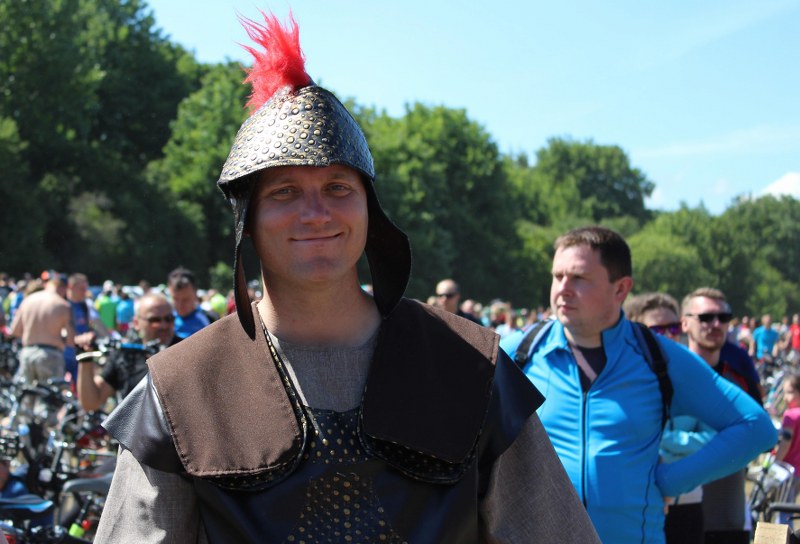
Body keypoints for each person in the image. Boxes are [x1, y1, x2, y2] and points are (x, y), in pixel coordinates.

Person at [95, 12, 598, 543]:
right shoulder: (182, 388)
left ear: (369, 211)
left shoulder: (470, 367)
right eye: (284, 192)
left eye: (338, 187)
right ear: (248, 221)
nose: (316, 213)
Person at [500, 226, 776, 544]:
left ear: (621, 289)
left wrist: (671, 480)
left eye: (578, 278)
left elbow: (756, 427)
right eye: (557, 276)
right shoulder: (520, 352)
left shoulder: (658, 357)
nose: (563, 289)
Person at [681, 287, 767, 543]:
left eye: (723, 317)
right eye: (706, 317)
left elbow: (760, 433)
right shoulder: (668, 370)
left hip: (726, 512)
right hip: (673, 512)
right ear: (684, 323)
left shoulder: (739, 367)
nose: (715, 324)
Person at [626, 292, 710, 544]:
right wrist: (685, 443)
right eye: (657, 329)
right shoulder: (623, 379)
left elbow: (713, 439)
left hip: (688, 498)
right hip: (636, 500)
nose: (669, 335)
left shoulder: (695, 373)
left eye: (674, 328)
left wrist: (665, 440)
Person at [77, 293, 180, 412]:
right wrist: (85, 358)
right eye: (154, 320)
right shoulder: (125, 353)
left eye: (169, 319)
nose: (164, 325)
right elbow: (91, 403)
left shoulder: (185, 350)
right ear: (136, 323)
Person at [9, 275, 74, 384]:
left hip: (27, 353)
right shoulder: (62, 304)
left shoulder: (28, 300)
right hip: (50, 354)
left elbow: (15, 330)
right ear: (63, 288)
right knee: (50, 393)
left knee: (27, 393)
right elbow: (70, 340)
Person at [775, 372, 800, 527]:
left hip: (788, 470)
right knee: (791, 508)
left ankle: (784, 538)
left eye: (789, 392)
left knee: (783, 511)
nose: (785, 397)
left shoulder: (790, 415)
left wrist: (775, 462)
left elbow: (786, 443)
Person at [167, 267, 212, 338]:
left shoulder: (208, 321)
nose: (180, 305)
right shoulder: (163, 319)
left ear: (195, 295)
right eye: (175, 299)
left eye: (185, 300)